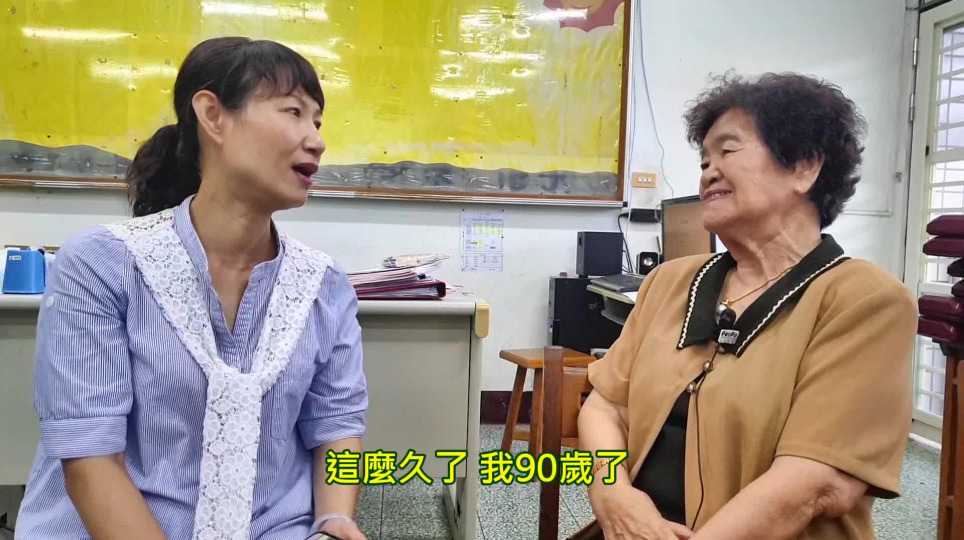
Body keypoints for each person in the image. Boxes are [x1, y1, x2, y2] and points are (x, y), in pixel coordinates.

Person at [15, 37, 369, 540]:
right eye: (294, 112)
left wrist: (335, 520)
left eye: (317, 121)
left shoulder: (324, 284)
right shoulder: (102, 264)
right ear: (213, 116)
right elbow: (90, 459)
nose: (316, 140)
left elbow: (337, 424)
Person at [577, 72, 918, 540]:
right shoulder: (669, 282)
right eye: (704, 160)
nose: (708, 172)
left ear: (804, 168)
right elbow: (605, 406)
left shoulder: (865, 301)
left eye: (728, 151)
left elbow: (814, 482)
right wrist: (613, 497)